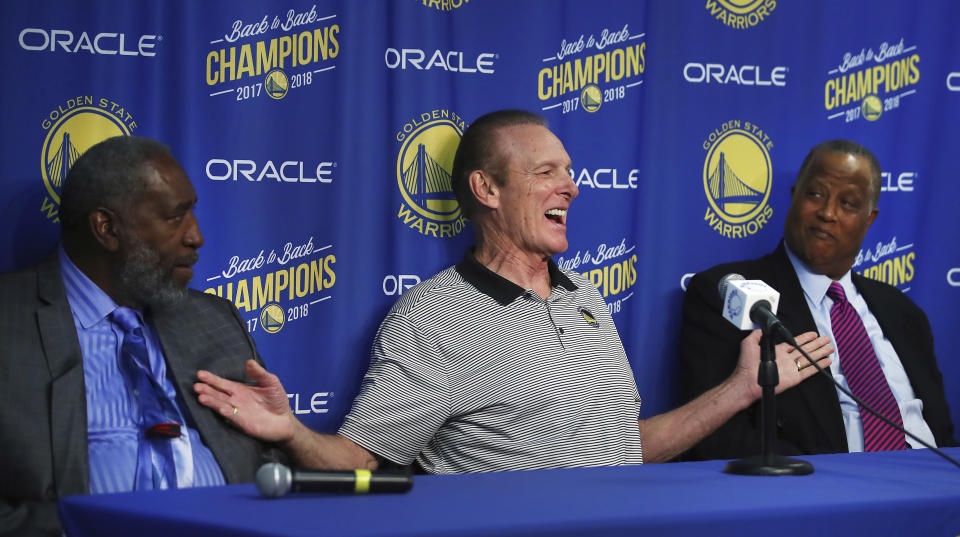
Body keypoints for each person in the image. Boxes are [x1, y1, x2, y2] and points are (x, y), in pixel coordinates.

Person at [194, 110, 832, 474]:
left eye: (571, 171)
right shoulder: (434, 317)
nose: (571, 187)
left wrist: (742, 389)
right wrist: (290, 434)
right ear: (487, 190)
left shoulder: (585, 295)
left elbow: (625, 449)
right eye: (545, 172)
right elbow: (361, 460)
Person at [0, 136, 274, 537]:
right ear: (106, 228)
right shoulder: (11, 321)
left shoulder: (213, 319)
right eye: (174, 217)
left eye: (192, 213)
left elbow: (273, 466)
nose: (196, 237)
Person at [679, 139, 957, 461]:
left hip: (933, 485)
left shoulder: (904, 313)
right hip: (827, 492)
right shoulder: (731, 293)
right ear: (794, 195)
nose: (828, 213)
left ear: (869, 220)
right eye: (815, 194)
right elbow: (719, 436)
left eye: (848, 203)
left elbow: (943, 433)